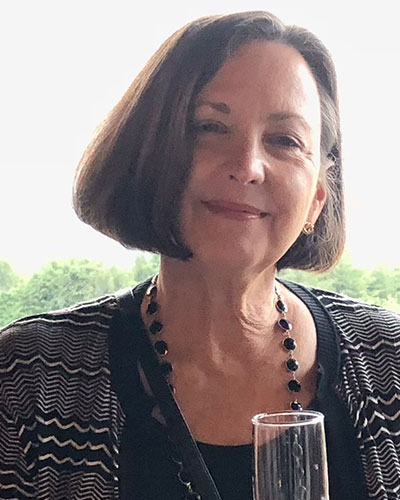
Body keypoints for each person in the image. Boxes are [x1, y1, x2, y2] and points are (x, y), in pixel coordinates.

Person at [1, 10, 399, 500]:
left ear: (318, 197)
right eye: (210, 127)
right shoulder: (29, 377)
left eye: (284, 140)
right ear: (148, 156)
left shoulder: (390, 359)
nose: (248, 166)